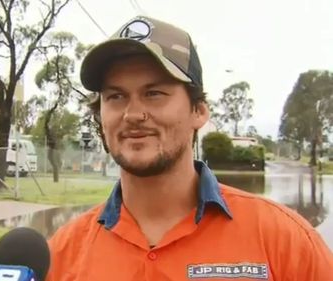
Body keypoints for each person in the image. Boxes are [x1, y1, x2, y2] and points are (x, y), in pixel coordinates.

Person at [46, 16, 333, 280]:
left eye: (154, 93)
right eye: (116, 96)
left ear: (199, 111)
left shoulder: (284, 240)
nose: (133, 114)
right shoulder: (61, 255)